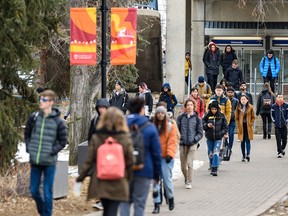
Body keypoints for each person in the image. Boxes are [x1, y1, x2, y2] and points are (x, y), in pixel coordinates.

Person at [76, 107, 134, 216]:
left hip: (100, 180)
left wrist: (80, 178)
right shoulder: (125, 138)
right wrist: (129, 179)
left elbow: (89, 160)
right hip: (119, 180)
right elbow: (131, 161)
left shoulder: (97, 137)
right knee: (112, 209)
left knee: (106, 210)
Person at [24, 90, 68, 216]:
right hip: (36, 160)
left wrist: (52, 151)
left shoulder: (58, 122)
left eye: (44, 100)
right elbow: (27, 134)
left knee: (48, 192)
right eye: (40, 99)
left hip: (49, 162)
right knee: (33, 190)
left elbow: (63, 141)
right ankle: (43, 211)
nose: (41, 102)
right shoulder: (34, 117)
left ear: (51, 102)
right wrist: (29, 148)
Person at [120, 97, 162, 216]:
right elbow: (156, 154)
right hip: (144, 170)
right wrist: (156, 175)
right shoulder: (149, 127)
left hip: (124, 170)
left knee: (124, 202)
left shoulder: (121, 125)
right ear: (141, 110)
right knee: (139, 204)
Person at [152, 106, 177, 214]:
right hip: (155, 159)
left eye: (162, 113)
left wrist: (170, 154)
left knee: (167, 181)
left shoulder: (170, 126)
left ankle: (170, 198)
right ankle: (156, 204)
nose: (160, 115)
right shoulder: (152, 127)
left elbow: (172, 142)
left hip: (166, 158)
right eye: (159, 113)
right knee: (156, 183)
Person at [87, 98, 110, 210]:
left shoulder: (112, 121)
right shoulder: (95, 120)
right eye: (100, 108)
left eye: (104, 107)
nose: (102, 110)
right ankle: (102, 199)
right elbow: (90, 137)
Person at [177, 99, 203, 189]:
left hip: (192, 144)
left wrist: (194, 139)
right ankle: (186, 178)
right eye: (187, 105)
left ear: (194, 106)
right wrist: (179, 139)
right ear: (185, 106)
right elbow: (176, 130)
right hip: (182, 144)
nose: (189, 107)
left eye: (191, 105)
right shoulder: (181, 117)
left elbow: (200, 133)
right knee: (183, 166)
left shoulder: (197, 118)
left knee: (190, 163)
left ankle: (189, 181)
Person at [202, 100, 228, 176]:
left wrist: (221, 133)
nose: (213, 111)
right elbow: (202, 124)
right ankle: (211, 163)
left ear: (218, 109)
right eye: (212, 109)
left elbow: (225, 127)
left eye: (215, 109)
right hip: (209, 137)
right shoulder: (207, 116)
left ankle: (215, 168)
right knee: (210, 152)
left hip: (218, 138)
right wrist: (207, 125)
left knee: (216, 152)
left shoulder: (221, 116)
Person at [235, 94, 255, 162]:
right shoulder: (238, 107)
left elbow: (253, 117)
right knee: (242, 141)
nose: (243, 100)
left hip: (248, 126)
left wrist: (251, 124)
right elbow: (236, 117)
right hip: (241, 126)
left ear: (247, 100)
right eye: (241, 99)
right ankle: (243, 155)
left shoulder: (250, 107)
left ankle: (248, 154)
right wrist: (238, 124)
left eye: (244, 99)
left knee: (248, 140)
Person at [271, 93, 288, 158]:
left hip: (284, 126)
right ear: (276, 98)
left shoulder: (286, 105)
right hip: (277, 126)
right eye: (279, 97)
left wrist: (286, 121)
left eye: (281, 97)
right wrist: (274, 121)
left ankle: (282, 149)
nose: (280, 98)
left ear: (283, 98)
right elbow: (272, 115)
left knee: (285, 140)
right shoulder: (273, 106)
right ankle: (280, 152)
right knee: (278, 139)